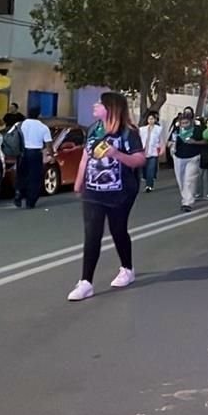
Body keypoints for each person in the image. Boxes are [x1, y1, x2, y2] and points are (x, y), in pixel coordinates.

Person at [67, 92, 145, 302]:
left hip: (121, 191)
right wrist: (79, 182)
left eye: (99, 103)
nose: (95, 105)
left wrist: (116, 154)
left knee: (118, 230)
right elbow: (86, 157)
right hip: (93, 192)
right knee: (92, 233)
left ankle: (127, 269)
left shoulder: (128, 133)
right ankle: (86, 282)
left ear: (111, 108)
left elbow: (139, 159)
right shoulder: (94, 129)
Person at [14, 107, 54, 209]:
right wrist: (51, 155)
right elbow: (48, 144)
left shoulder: (20, 124)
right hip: (35, 153)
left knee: (22, 174)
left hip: (22, 153)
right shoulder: (43, 127)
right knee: (34, 178)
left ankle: (19, 193)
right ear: (39, 115)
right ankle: (30, 201)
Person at [169, 109, 205, 212]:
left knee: (189, 179)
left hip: (193, 157)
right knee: (181, 180)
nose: (184, 125)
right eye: (182, 123)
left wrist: (195, 142)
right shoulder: (176, 130)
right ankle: (185, 197)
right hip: (178, 157)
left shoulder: (198, 129)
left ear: (191, 122)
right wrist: (171, 145)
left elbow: (207, 141)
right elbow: (170, 141)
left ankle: (187, 202)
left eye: (186, 123)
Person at [139, 111, 163, 192]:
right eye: (149, 119)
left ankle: (149, 186)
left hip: (153, 152)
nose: (151, 120)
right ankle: (146, 179)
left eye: (152, 119)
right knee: (144, 170)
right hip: (143, 152)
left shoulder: (158, 129)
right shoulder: (142, 129)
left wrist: (161, 149)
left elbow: (161, 140)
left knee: (151, 169)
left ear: (155, 120)